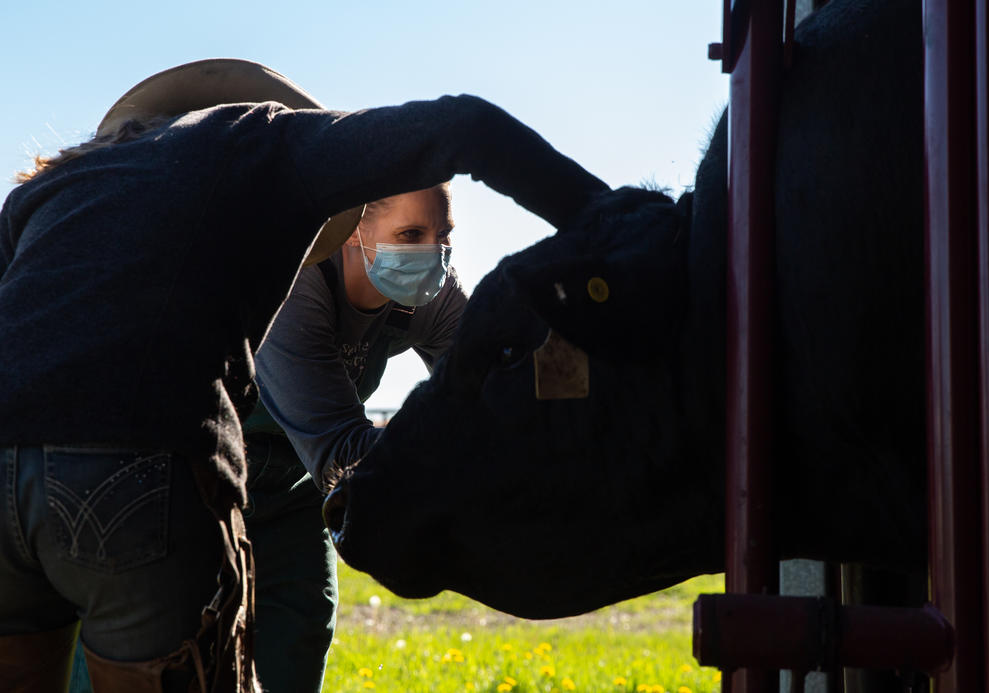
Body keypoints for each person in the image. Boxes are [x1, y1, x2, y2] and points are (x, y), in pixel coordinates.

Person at [0, 58, 607, 692]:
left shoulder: (62, 180)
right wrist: (606, 217)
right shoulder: (262, 136)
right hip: (137, 471)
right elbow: (466, 124)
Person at [240, 182, 466, 692]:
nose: (433, 251)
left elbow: (493, 388)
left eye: (443, 234)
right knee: (175, 648)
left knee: (297, 638)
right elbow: (341, 451)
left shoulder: (430, 296)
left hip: (295, 492)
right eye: (410, 233)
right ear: (350, 231)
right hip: (198, 478)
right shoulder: (293, 285)